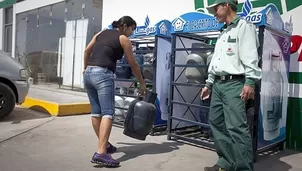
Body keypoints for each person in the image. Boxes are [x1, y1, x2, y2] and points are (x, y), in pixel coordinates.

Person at [200, 0, 262, 171]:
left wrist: (250, 82)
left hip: (235, 84)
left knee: (236, 127)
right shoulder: (223, 32)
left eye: (216, 9)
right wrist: (209, 84)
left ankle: (243, 168)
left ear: (226, 5)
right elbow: (216, 62)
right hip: (219, 85)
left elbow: (251, 57)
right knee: (216, 122)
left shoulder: (244, 27)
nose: (214, 13)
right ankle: (226, 163)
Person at [82, 16, 146, 167]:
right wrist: (142, 83)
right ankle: (101, 153)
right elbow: (133, 63)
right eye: (132, 29)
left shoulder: (101, 33)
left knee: (96, 113)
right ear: (125, 26)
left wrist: (85, 69)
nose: (132, 33)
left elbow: (86, 50)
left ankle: (105, 146)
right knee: (107, 113)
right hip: (103, 74)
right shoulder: (123, 39)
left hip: (89, 74)